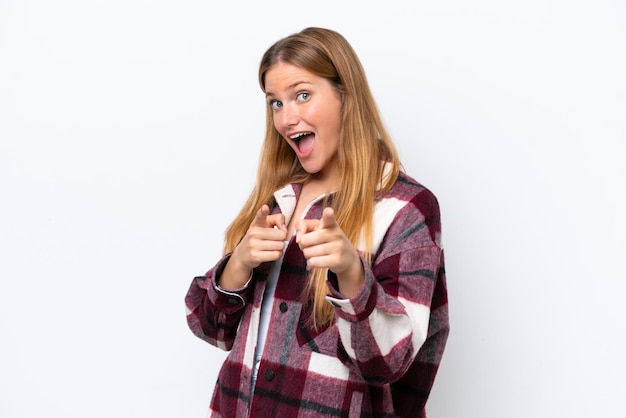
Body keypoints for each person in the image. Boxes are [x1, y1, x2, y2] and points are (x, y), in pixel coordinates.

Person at [185, 27, 449, 418]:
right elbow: (212, 329)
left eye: (302, 95)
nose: (286, 118)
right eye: (275, 103)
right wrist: (238, 264)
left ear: (346, 95)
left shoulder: (406, 207)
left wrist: (350, 275)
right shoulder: (277, 199)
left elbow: (389, 365)